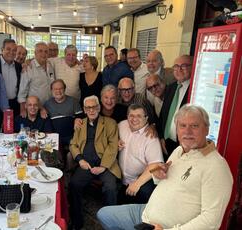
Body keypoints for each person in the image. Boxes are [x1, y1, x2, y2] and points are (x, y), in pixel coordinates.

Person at [97, 104, 233, 230]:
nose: (187, 131)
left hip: (167, 226)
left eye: (195, 126)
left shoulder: (216, 167)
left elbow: (211, 221)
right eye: (182, 126)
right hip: (147, 212)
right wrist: (158, 175)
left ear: (207, 129)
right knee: (104, 214)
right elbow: (163, 179)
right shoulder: (179, 150)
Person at [69, 95, 121, 230]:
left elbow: (113, 145)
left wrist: (103, 166)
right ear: (85, 110)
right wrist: (80, 160)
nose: (91, 110)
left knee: (111, 188)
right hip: (86, 164)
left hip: (105, 164)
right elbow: (73, 144)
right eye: (88, 108)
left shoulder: (110, 123)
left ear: (98, 107)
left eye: (94, 107)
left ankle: (112, 223)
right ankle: (77, 221)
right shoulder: (80, 124)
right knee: (74, 184)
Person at [118, 104, 163, 204]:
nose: (134, 119)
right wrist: (115, 141)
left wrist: (137, 184)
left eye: (139, 116)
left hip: (138, 182)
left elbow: (156, 165)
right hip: (121, 181)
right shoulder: (122, 125)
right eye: (131, 116)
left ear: (146, 118)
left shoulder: (151, 137)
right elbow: (110, 136)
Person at [159, 55, 193, 159]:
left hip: (184, 145)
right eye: (176, 66)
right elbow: (163, 115)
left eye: (183, 66)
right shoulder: (170, 88)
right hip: (166, 143)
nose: (179, 70)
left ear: (193, 67)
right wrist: (161, 138)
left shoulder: (195, 90)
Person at [18, 42, 55, 117]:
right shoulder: (29, 68)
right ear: (35, 53)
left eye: (46, 51)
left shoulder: (50, 65)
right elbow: (22, 91)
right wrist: (22, 109)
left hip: (50, 107)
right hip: (34, 109)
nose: (43, 54)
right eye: (40, 51)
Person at [44, 79, 83, 146]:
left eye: (61, 88)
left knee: (72, 154)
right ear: (51, 90)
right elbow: (45, 122)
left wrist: (77, 119)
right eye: (55, 89)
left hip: (71, 136)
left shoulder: (73, 101)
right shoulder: (47, 104)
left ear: (64, 89)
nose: (58, 91)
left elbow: (81, 117)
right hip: (55, 137)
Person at [0, 39, 22, 117]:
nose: (11, 52)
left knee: (13, 128)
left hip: (15, 105)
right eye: (8, 49)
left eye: (14, 50)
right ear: (2, 50)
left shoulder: (19, 66)